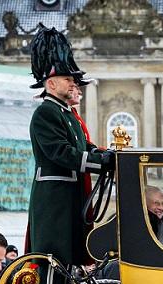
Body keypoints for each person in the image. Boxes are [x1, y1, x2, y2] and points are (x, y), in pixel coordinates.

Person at [26, 27, 115, 270]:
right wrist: (100, 162)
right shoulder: (46, 112)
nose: (73, 83)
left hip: (72, 195)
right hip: (56, 198)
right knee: (56, 258)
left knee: (71, 257)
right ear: (51, 83)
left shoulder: (67, 115)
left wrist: (105, 155)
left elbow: (84, 146)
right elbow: (61, 153)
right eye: (67, 79)